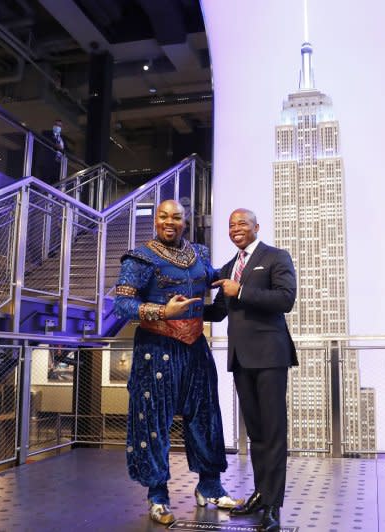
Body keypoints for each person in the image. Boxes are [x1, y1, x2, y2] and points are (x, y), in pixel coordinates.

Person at [113, 199, 241, 525]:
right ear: (156, 220)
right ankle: (158, 497)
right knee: (154, 423)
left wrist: (237, 281)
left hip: (196, 347)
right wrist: (160, 311)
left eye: (176, 217)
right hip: (155, 349)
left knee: (206, 417)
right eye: (163, 216)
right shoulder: (139, 258)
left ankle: (210, 488)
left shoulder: (199, 254)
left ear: (185, 221)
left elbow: (215, 279)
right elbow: (122, 304)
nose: (169, 222)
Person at [204, 208, 297, 532]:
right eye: (231, 225)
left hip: (271, 357)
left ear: (257, 227)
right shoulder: (230, 266)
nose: (236, 228)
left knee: (272, 433)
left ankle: (272, 505)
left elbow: (286, 299)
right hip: (242, 360)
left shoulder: (275, 257)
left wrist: (241, 291)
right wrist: (181, 310)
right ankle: (260, 493)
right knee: (256, 434)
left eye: (242, 223)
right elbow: (217, 312)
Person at [34, 119, 66, 184]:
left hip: (58, 165)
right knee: (44, 183)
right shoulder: (46, 134)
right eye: (56, 125)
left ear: (62, 127)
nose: (58, 127)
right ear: (53, 126)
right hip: (47, 164)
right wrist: (55, 146)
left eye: (59, 125)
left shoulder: (63, 139)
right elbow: (45, 142)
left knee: (55, 184)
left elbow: (67, 151)